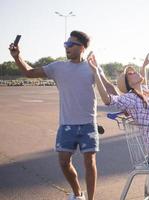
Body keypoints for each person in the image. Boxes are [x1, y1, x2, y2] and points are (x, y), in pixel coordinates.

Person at [9, 30, 118, 200]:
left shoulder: (91, 68)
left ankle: (91, 199)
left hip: (88, 124)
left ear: (81, 48)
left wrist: (128, 101)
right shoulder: (57, 67)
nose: (66, 47)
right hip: (67, 125)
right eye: (65, 44)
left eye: (70, 44)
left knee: (90, 162)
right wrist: (17, 57)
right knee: (63, 162)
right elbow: (29, 73)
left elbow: (108, 86)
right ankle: (77, 193)